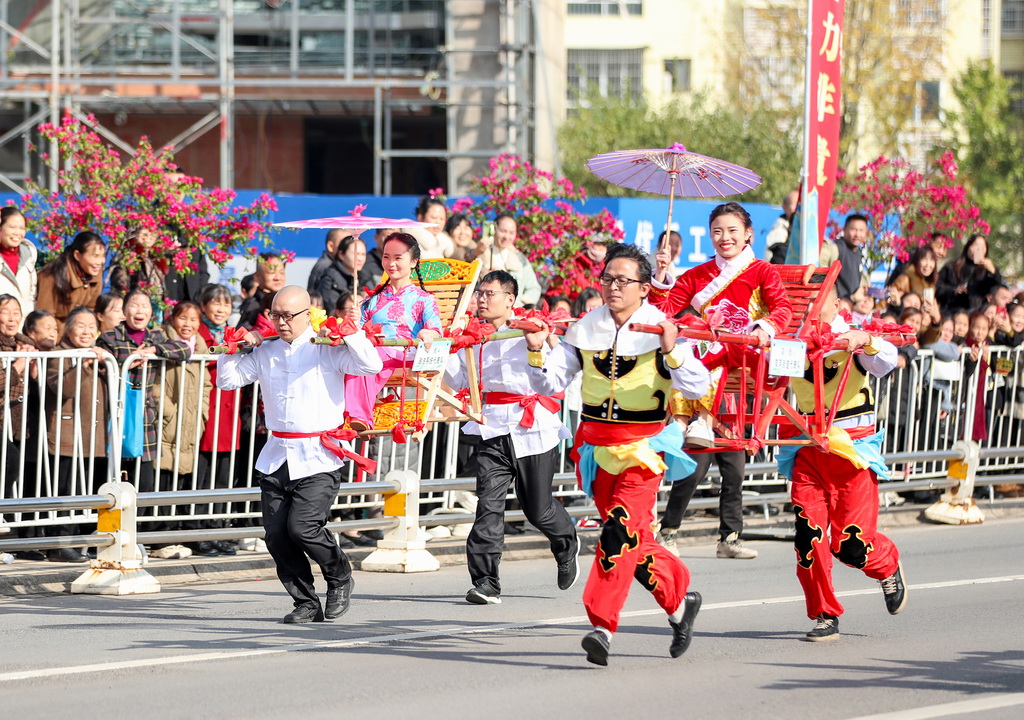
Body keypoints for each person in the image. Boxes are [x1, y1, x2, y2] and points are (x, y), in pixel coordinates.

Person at [523, 244, 711, 666]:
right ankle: (680, 605)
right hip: (596, 450)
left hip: (643, 449)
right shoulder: (584, 327)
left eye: (623, 280)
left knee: (618, 532)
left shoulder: (662, 327)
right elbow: (552, 380)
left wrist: (673, 350)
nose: (612, 286)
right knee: (634, 541)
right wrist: (537, 349)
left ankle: (602, 626)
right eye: (607, 278)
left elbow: (698, 387)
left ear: (645, 288)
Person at [216, 285, 383, 623]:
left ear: (307, 314)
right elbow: (228, 381)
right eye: (274, 315)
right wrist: (233, 349)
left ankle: (339, 577)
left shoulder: (327, 347)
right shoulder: (267, 351)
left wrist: (352, 334)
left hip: (319, 455)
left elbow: (370, 365)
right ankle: (305, 601)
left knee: (303, 527)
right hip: (277, 454)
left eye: (288, 315)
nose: (280, 322)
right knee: (276, 534)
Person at [650, 202, 792, 559]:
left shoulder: (762, 271)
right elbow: (662, 312)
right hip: (710, 363)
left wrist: (762, 329)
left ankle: (729, 537)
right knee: (704, 460)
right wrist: (662, 276)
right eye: (717, 231)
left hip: (744, 359)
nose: (724, 238)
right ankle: (669, 529)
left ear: (748, 234)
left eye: (732, 231)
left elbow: (783, 310)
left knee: (732, 462)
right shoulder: (697, 275)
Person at [774, 283, 907, 642]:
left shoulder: (849, 336)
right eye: (805, 305)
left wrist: (865, 338)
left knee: (851, 547)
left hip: (852, 456)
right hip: (809, 455)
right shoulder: (789, 342)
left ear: (836, 304)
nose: (811, 311)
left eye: (819, 304)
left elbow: (886, 362)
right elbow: (769, 381)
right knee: (808, 538)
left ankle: (887, 564)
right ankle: (823, 613)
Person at [445, 270, 579, 605]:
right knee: (487, 506)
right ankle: (486, 581)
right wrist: (444, 349)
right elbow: (460, 377)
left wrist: (540, 342)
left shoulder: (529, 328)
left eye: (490, 293)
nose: (482, 299)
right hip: (491, 427)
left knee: (538, 509)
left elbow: (553, 376)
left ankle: (566, 543)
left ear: (510, 299)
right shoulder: (474, 336)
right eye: (480, 293)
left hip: (532, 428)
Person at [97, 288, 192, 559]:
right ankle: (110, 537)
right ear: (124, 311)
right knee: (112, 479)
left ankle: (144, 538)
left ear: (152, 312)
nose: (139, 310)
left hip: (144, 419)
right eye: (134, 305)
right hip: (115, 416)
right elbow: (101, 359)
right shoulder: (110, 336)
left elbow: (184, 348)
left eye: (145, 306)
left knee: (145, 483)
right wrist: (123, 361)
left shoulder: (157, 335)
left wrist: (153, 350)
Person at [344, 232, 443, 433]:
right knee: (349, 356)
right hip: (377, 354)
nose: (391, 263)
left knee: (368, 356)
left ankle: (358, 415)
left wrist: (428, 333)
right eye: (386, 256)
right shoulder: (373, 298)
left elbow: (436, 329)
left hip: (405, 355)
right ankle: (344, 413)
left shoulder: (424, 299)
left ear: (414, 262)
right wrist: (354, 320)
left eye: (398, 258)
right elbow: (357, 327)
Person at [44, 306, 111, 562]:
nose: (86, 330)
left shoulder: (99, 354)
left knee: (90, 491)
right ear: (68, 327)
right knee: (66, 490)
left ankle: (85, 541)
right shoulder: (58, 354)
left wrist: (104, 365)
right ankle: (60, 544)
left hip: (94, 437)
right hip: (66, 436)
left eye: (91, 326)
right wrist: (83, 364)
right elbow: (62, 388)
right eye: (80, 325)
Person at [160, 301, 213, 555]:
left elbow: (206, 386)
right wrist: (168, 412)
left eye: (193, 320)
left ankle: (176, 533)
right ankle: (160, 536)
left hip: (191, 422)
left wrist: (201, 414)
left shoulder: (201, 347)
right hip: (168, 422)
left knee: (182, 478)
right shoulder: (162, 342)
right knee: (162, 478)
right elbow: (155, 382)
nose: (188, 324)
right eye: (183, 318)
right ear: (172, 319)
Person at [196, 283, 243, 556]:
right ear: (204, 306)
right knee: (205, 476)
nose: (221, 309)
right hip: (208, 411)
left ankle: (217, 530)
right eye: (216, 303)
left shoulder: (231, 334)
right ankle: (200, 531)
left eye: (226, 304)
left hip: (228, 412)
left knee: (224, 475)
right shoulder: (200, 334)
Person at [35, 231, 107, 331]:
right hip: (54, 335)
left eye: (102, 256)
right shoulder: (51, 275)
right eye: (95, 256)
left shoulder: (94, 273)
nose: (100, 262)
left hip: (79, 335)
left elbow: (91, 309)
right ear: (77, 255)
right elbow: (43, 317)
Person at [475, 214, 542, 307]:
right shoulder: (482, 253)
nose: (507, 237)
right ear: (494, 229)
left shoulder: (519, 258)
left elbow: (534, 288)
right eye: (503, 231)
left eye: (511, 233)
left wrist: (520, 305)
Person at [936, 234, 1001, 314]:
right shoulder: (952, 266)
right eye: (975, 245)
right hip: (953, 312)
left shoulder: (989, 271)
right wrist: (954, 291)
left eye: (982, 247)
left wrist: (993, 272)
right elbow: (937, 287)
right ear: (968, 247)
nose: (978, 250)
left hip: (978, 316)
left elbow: (998, 291)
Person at [0, 207, 38, 317]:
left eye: (22, 228)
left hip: (22, 327)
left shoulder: (29, 258)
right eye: (12, 227)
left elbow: (32, 296)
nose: (18, 233)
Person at [317, 235, 366, 313]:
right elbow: (331, 310)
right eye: (356, 254)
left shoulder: (364, 276)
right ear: (341, 255)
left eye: (363, 254)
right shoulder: (329, 278)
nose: (360, 259)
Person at [238, 253, 287, 328]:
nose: (277, 278)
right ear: (257, 277)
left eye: (281, 272)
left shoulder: (288, 300)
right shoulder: (253, 306)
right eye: (271, 272)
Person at [831, 214, 871, 300]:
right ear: (844, 229)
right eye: (853, 229)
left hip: (851, 307)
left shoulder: (858, 255)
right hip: (837, 305)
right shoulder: (836, 248)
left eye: (861, 230)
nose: (857, 234)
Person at [307, 228, 350, 292]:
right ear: (331, 246)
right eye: (344, 244)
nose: (349, 248)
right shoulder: (324, 266)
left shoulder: (337, 265)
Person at [413, 194, 455, 259]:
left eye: (442, 219)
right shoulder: (410, 241)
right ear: (420, 217)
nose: (438, 222)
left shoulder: (445, 242)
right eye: (434, 217)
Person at [764, 189, 800, 264]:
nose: (798, 208)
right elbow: (772, 257)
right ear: (784, 206)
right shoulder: (779, 230)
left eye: (799, 204)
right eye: (794, 204)